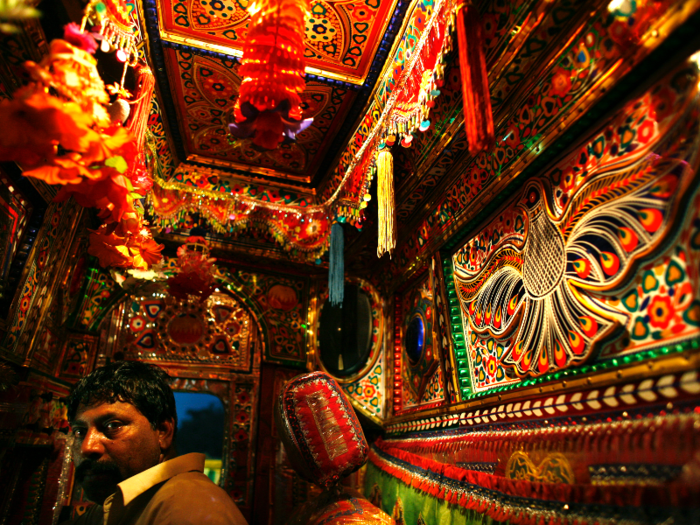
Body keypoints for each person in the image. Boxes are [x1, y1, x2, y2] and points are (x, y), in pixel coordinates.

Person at [61, 360, 248, 525]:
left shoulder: (190, 509)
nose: (87, 447)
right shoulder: (122, 500)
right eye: (79, 431)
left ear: (163, 432)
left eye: (113, 426)